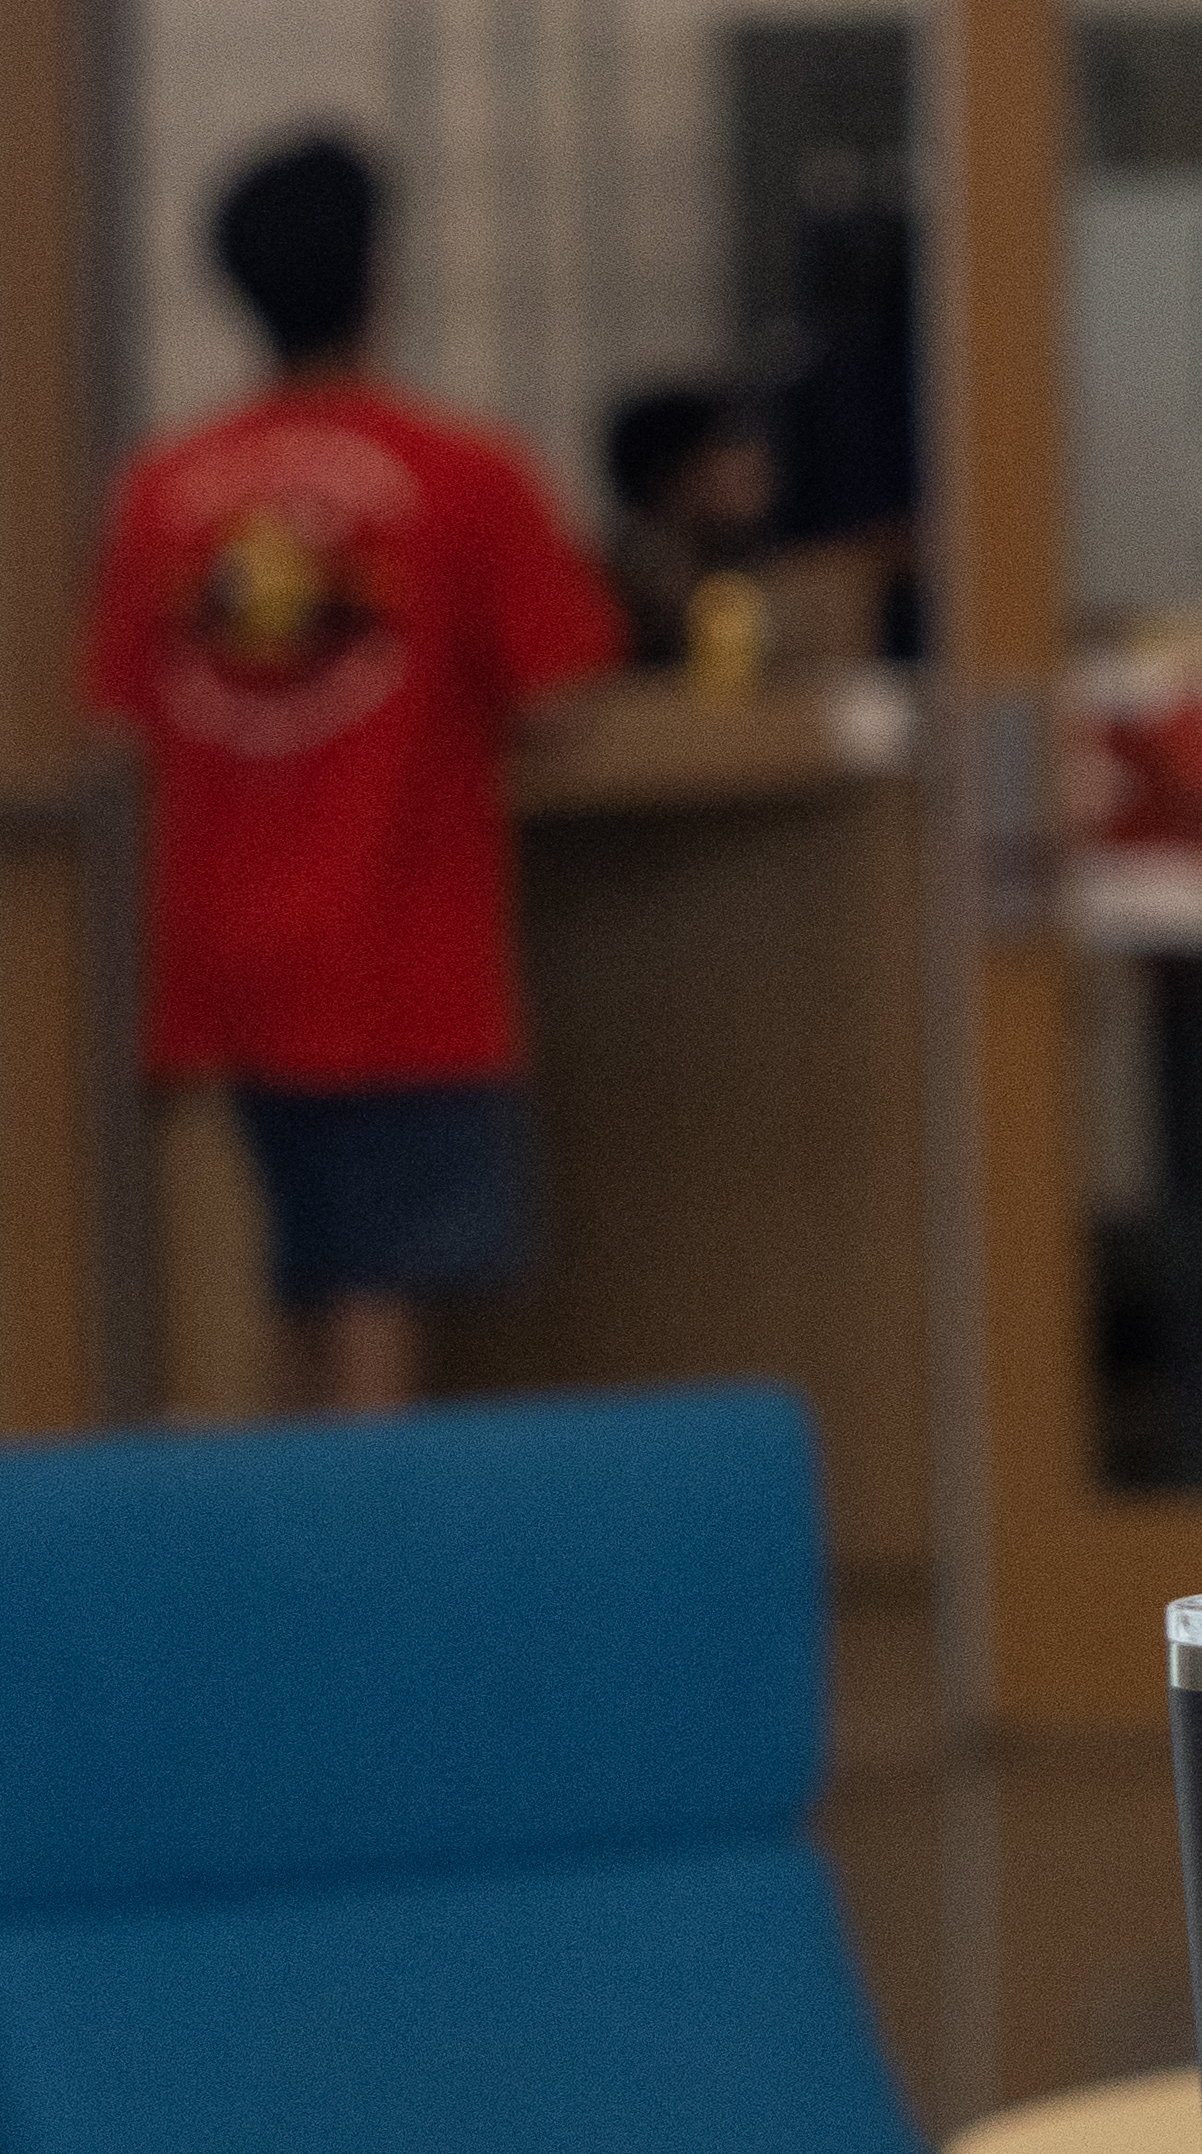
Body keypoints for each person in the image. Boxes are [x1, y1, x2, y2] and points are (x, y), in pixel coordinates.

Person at [82, 132, 619, 1410]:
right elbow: (562, 694)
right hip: (399, 947)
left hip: (217, 957)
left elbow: (117, 710)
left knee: (285, 1281)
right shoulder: (464, 474)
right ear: (381, 273)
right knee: (378, 1281)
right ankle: (376, 1573)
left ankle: (285, 1568)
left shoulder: (165, 490)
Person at [597, 376, 777, 677]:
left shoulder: (722, 550)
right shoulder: (645, 567)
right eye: (729, 445)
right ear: (677, 476)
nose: (757, 461)